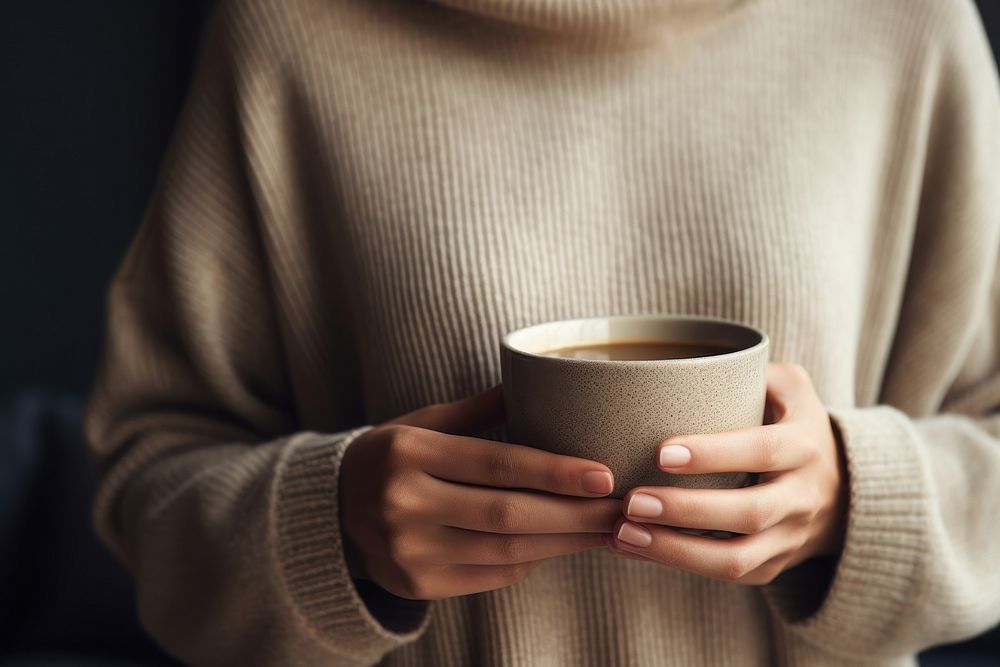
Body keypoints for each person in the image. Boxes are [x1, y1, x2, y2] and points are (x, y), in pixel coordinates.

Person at [86, 0, 1000, 664]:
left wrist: (852, 499)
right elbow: (151, 469)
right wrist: (335, 530)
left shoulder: (904, 26)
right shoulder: (285, 35)